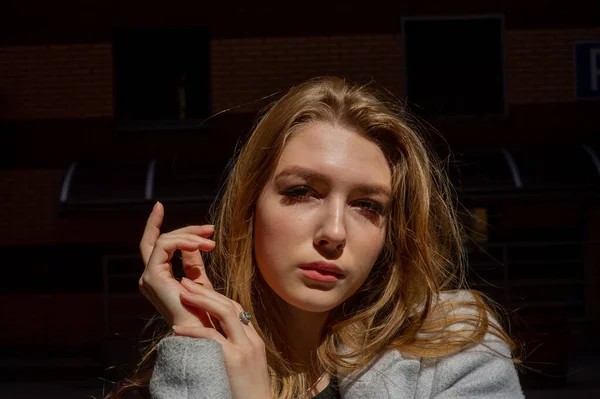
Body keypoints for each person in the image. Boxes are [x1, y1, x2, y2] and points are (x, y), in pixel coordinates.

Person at [107, 77, 523, 398]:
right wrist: (196, 342)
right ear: (249, 207)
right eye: (302, 192)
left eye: (368, 205)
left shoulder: (455, 354)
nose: (335, 233)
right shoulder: (179, 371)